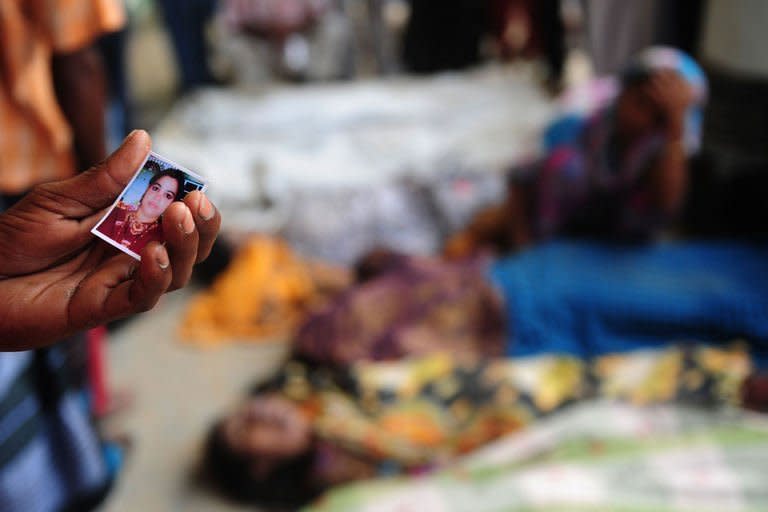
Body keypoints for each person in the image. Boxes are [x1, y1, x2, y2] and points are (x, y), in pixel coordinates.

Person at [0, 130, 221, 509]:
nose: (159, 199)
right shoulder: (111, 225)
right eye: (157, 190)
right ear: (146, 189)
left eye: (169, 196)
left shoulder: (145, 241)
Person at [445, 47, 708, 259]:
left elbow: (667, 203)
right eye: (641, 104)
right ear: (624, 92)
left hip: (610, 237)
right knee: (563, 169)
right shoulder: (578, 119)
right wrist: (524, 250)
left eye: (659, 115)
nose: (646, 121)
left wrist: (675, 128)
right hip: (546, 223)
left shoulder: (662, 139)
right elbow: (522, 179)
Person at [96, 167, 186, 255]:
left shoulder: (162, 240)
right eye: (156, 188)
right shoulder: (114, 211)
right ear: (147, 189)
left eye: (168, 195)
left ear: (172, 204)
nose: (157, 197)